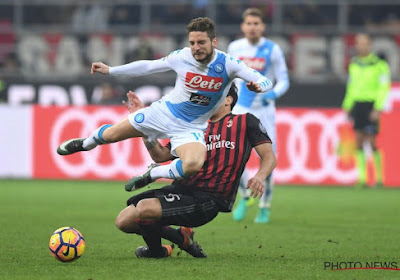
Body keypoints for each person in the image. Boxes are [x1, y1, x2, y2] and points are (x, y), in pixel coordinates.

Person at [57, 17, 273, 187]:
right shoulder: (182, 57)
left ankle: (154, 173)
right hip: (163, 113)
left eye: (201, 42)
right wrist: (112, 70)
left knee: (193, 165)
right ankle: (85, 144)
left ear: (214, 42)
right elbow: (148, 66)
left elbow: (262, 78)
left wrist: (259, 86)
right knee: (111, 135)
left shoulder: (228, 64)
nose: (196, 47)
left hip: (191, 127)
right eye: (192, 42)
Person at [115, 86, 276, 258]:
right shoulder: (191, 126)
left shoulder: (245, 121)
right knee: (123, 221)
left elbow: (269, 158)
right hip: (180, 190)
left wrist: (259, 176)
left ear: (228, 100)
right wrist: (144, 127)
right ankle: (180, 239)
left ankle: (156, 252)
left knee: (144, 209)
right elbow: (160, 155)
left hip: (209, 198)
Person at [227, 8, 290, 223]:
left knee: (267, 157)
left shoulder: (272, 49)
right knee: (234, 157)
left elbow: (284, 80)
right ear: (243, 26)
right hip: (240, 109)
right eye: (249, 23)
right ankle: (245, 196)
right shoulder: (235, 48)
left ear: (262, 27)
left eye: (256, 23)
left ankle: (265, 205)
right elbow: (229, 77)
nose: (252, 27)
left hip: (264, 110)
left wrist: (270, 94)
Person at [342, 33, 391, 188]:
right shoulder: (354, 63)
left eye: (364, 43)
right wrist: (347, 105)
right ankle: (362, 178)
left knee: (372, 141)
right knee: (358, 140)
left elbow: (384, 87)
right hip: (357, 104)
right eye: (359, 43)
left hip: (371, 104)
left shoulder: (379, 64)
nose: (361, 46)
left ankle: (379, 179)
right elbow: (351, 86)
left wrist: (378, 107)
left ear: (370, 45)